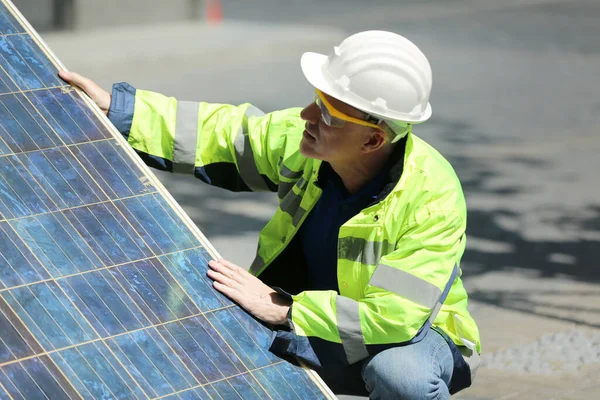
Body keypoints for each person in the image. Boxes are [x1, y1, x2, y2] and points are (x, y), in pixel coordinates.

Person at [60, 30, 481, 399]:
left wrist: (285, 310)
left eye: (329, 115)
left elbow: (395, 317)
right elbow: (223, 134)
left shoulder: (432, 198)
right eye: (316, 101)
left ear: (372, 141)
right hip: (317, 322)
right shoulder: (305, 143)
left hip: (413, 337)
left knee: (400, 377)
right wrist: (121, 110)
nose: (307, 116)